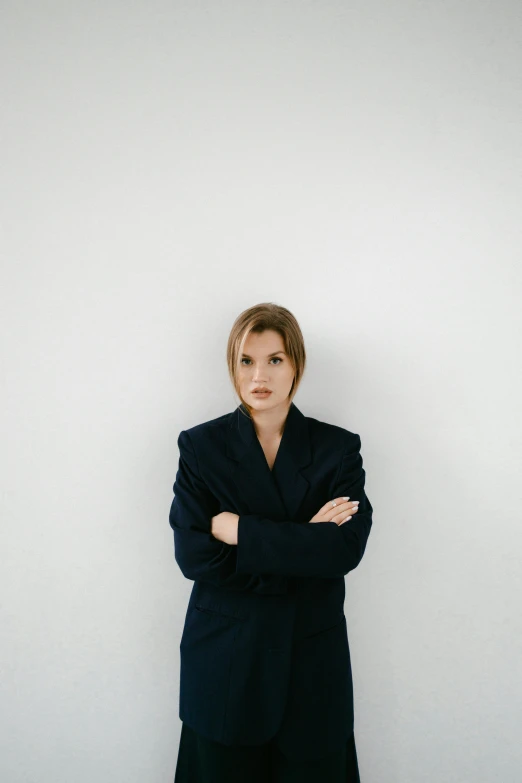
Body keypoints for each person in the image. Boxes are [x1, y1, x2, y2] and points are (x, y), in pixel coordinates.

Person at [169, 302, 373, 782]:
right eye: (247, 360)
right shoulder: (200, 448)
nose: (259, 374)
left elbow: (345, 550)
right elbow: (194, 555)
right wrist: (306, 545)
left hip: (311, 671)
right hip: (225, 668)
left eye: (275, 359)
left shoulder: (337, 449)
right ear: (232, 366)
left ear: (296, 364)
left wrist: (241, 531)